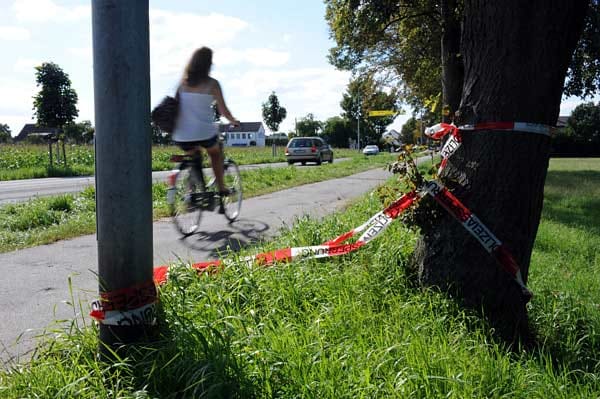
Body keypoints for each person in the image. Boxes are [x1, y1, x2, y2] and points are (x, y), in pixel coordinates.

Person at [172, 47, 240, 212]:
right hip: (204, 132)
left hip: (181, 134)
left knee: (193, 157)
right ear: (208, 64)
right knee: (215, 153)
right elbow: (224, 111)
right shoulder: (212, 84)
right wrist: (233, 121)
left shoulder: (182, 83)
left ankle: (191, 194)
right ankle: (222, 188)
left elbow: (174, 106)